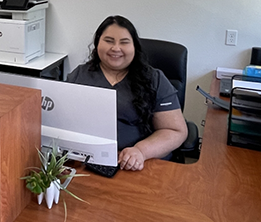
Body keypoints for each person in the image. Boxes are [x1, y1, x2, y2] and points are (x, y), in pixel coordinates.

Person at [67, 16, 188, 171]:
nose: (116, 48)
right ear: (98, 43)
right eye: (109, 41)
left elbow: (175, 131)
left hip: (140, 165)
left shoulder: (154, 79)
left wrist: (141, 151)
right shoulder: (79, 75)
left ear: (134, 47)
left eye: (124, 42)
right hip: (88, 163)